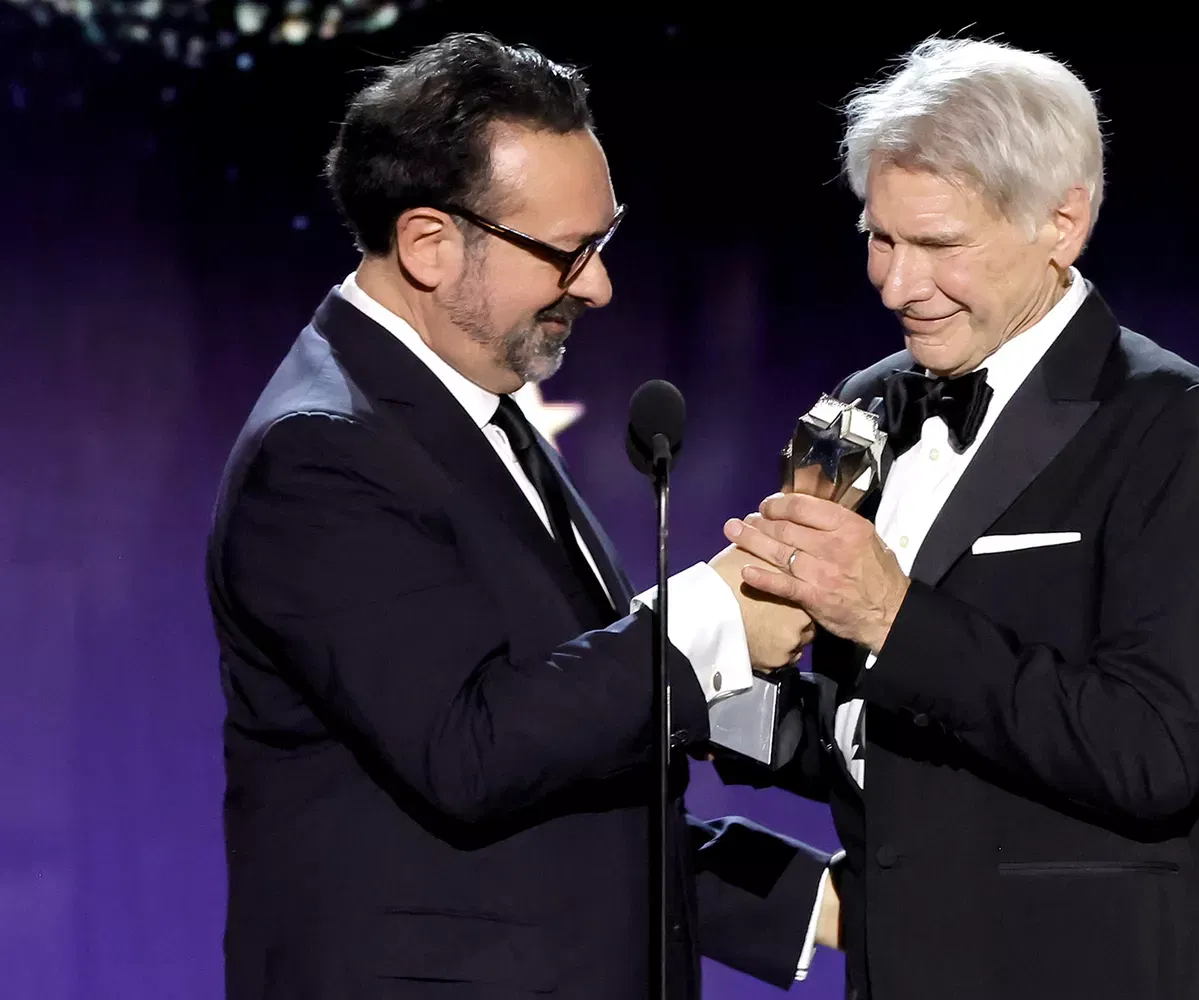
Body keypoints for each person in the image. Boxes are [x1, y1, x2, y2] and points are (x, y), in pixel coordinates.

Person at [204, 33, 837, 1000]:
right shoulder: (325, 454)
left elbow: (568, 757)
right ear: (427, 243)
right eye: (567, 251)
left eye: (605, 239)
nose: (598, 284)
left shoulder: (468, 403)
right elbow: (473, 752)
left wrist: (805, 899)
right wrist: (712, 613)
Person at [720, 37, 1199, 999]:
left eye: (939, 245)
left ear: (1063, 222)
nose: (896, 284)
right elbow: (877, 737)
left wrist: (891, 615)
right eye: (879, 238)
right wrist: (709, 686)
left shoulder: (1171, 421)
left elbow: (1149, 753)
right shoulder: (867, 402)